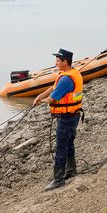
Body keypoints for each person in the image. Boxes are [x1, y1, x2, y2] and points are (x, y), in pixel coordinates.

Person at [32, 48, 83, 191]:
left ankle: (58, 179)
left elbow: (53, 99)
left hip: (67, 117)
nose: (55, 62)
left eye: (58, 60)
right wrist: (40, 95)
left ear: (65, 62)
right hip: (73, 114)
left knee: (61, 146)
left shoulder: (67, 79)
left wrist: (42, 101)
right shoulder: (68, 74)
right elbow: (53, 88)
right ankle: (71, 170)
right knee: (69, 143)